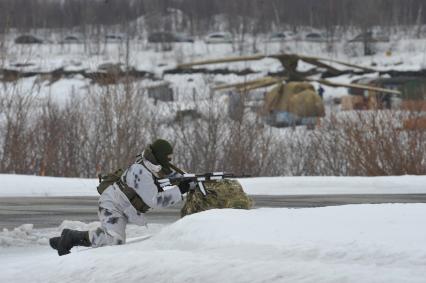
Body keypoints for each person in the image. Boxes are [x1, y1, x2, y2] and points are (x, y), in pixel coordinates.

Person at [49, 139, 194, 256]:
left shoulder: (153, 166)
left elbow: (171, 176)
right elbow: (154, 201)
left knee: (112, 238)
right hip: (112, 205)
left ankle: (64, 240)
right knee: (115, 241)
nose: (169, 161)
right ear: (160, 156)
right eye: (167, 158)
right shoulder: (140, 172)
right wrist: (180, 190)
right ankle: (71, 237)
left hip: (120, 206)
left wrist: (187, 180)